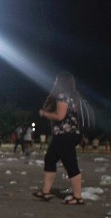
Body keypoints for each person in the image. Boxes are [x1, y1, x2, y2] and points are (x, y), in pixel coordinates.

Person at [33, 71, 86, 204]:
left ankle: (78, 197)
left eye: (56, 80)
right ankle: (45, 192)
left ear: (61, 82)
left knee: (70, 163)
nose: (54, 83)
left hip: (65, 135)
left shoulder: (63, 96)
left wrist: (44, 113)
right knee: (50, 159)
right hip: (66, 135)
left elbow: (60, 116)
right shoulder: (73, 96)